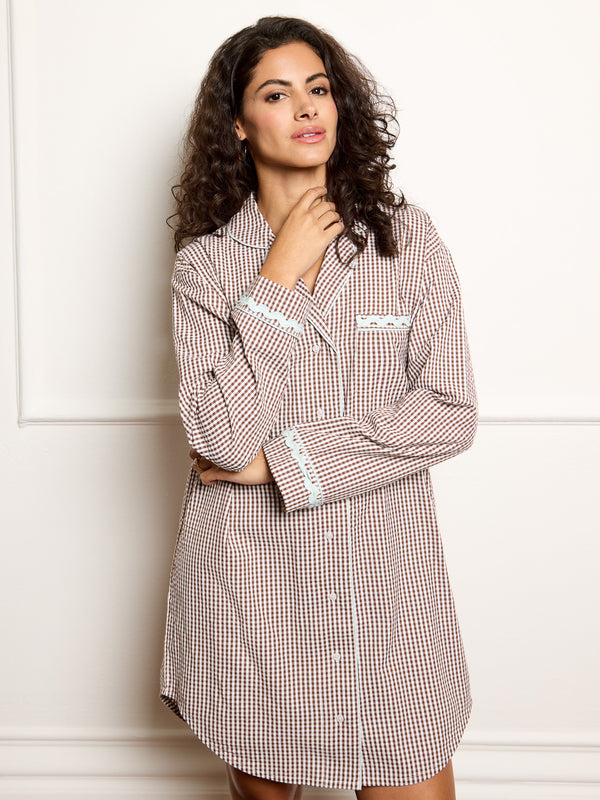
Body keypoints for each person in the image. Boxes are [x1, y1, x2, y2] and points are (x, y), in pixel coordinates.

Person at [160, 16, 477, 800]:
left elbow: (448, 409)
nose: (307, 108)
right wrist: (276, 278)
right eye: (277, 93)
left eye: (320, 88)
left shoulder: (408, 241)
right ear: (238, 123)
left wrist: (284, 461)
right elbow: (221, 437)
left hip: (389, 586)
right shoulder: (204, 269)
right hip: (252, 588)